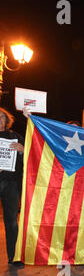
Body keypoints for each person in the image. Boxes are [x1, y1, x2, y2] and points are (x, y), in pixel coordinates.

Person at [0, 107, 25, 267]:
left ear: (7, 120)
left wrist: (22, 150)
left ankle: (14, 256)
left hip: (11, 183)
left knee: (11, 222)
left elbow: (32, 156)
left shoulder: (15, 137)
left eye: (2, 117)